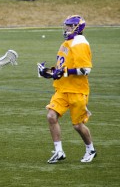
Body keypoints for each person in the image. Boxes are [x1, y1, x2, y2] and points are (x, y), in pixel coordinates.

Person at [38, 15, 96, 163]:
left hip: (77, 90)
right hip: (62, 89)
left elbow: (85, 70)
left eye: (69, 26)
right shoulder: (67, 42)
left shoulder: (80, 43)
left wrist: (63, 73)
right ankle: (59, 152)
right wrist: (48, 72)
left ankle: (90, 149)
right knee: (51, 116)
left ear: (78, 28)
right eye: (66, 26)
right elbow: (61, 68)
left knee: (77, 125)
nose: (66, 29)